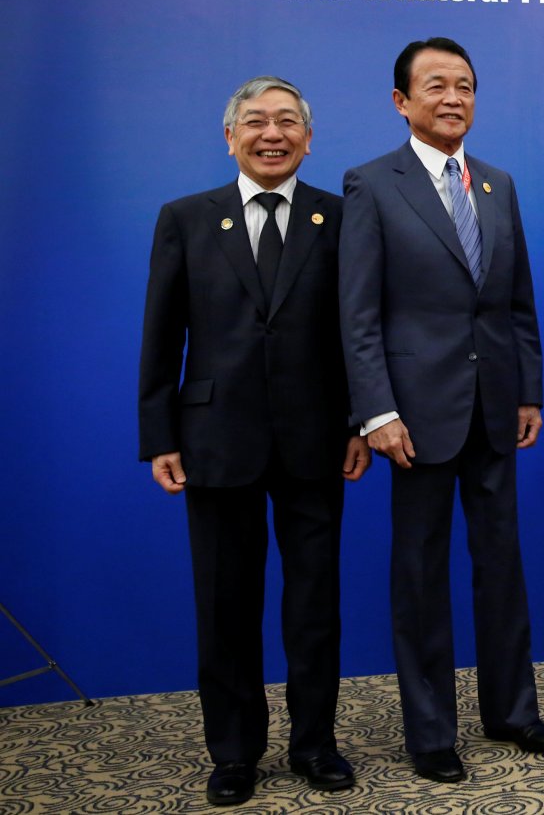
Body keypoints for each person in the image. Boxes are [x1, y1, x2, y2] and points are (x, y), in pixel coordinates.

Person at [138, 76, 369, 806]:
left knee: (314, 605)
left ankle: (315, 745)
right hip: (214, 437)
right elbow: (161, 334)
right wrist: (159, 434)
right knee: (224, 604)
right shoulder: (186, 217)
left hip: (317, 439)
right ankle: (234, 752)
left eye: (288, 122)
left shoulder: (341, 219)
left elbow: (358, 332)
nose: (273, 134)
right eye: (257, 122)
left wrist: (360, 421)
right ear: (230, 136)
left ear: (309, 136)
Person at [338, 37, 544, 783]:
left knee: (502, 567)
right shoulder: (372, 184)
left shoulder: (496, 184)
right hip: (414, 416)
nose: (453, 97)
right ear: (402, 101)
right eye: (435, 85)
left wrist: (529, 389)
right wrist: (375, 412)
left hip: (495, 406)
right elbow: (358, 313)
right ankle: (430, 731)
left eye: (464, 85)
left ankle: (513, 710)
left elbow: (517, 303)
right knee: (421, 576)